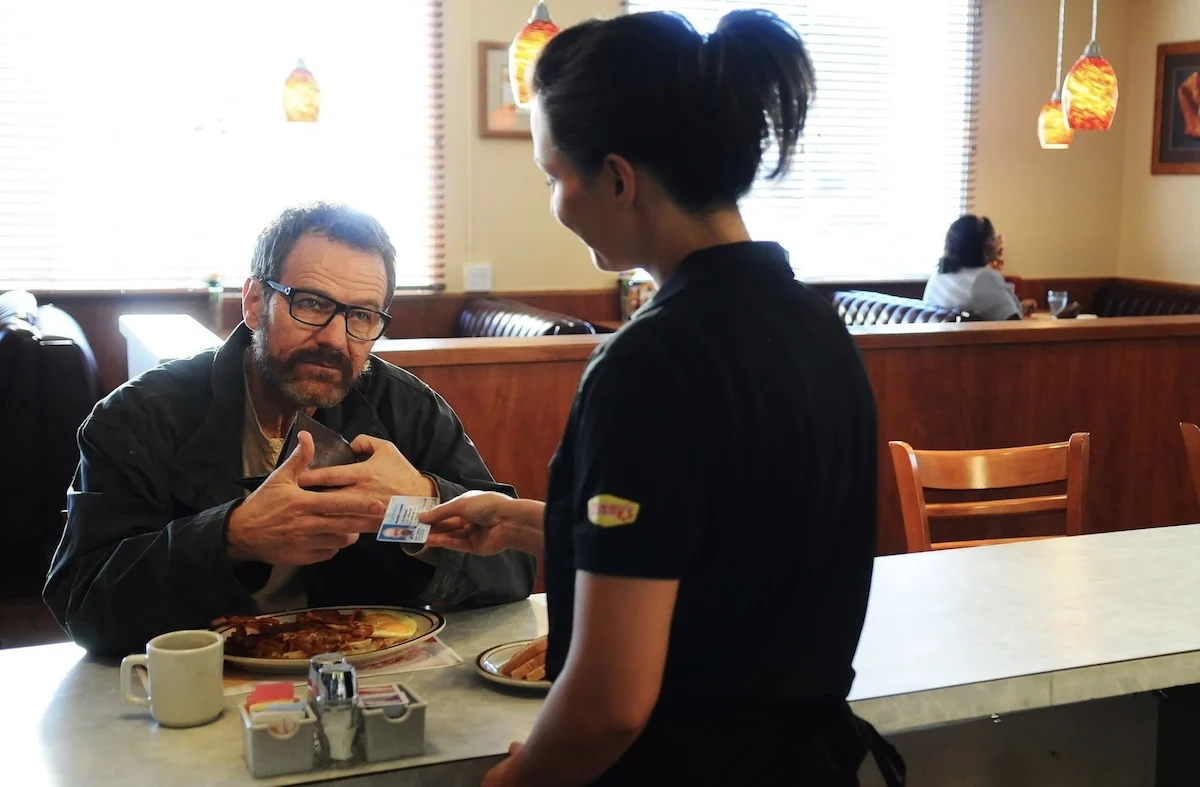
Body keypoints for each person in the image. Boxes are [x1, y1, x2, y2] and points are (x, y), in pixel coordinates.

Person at [420, 11, 903, 787]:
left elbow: (611, 703)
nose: (554, 200)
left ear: (618, 178)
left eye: (554, 176)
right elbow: (727, 550)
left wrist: (515, 782)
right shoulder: (818, 327)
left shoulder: (648, 366)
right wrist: (521, 522)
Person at [44, 203, 537, 656]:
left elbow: (516, 569)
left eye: (362, 316)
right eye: (312, 304)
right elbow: (84, 603)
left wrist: (420, 503)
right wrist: (231, 537)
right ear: (256, 302)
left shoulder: (408, 411)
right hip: (204, 690)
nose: (334, 339)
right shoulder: (141, 416)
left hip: (371, 683)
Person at [923, 214, 1038, 320]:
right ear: (984, 245)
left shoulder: (938, 276)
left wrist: (1020, 308)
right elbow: (1013, 326)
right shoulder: (984, 278)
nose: (996, 243)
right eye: (993, 238)